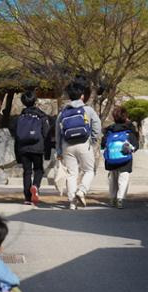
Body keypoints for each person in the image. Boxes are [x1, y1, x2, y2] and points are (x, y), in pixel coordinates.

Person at [55, 79, 101, 210]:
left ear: (69, 96)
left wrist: (58, 150)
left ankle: (72, 202)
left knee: (71, 174)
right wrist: (92, 139)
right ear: (82, 96)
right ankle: (82, 190)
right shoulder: (88, 110)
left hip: (67, 145)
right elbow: (97, 125)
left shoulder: (63, 112)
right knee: (89, 171)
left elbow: (58, 133)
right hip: (84, 143)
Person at [14, 90, 50, 205]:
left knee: (27, 171)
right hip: (37, 147)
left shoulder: (20, 117)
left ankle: (27, 198)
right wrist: (47, 151)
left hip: (23, 148)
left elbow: (17, 136)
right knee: (38, 170)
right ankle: (35, 186)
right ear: (35, 101)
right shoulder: (42, 116)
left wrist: (17, 155)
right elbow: (46, 134)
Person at [101, 106, 139, 209]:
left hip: (111, 160)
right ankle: (120, 199)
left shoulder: (109, 131)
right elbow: (135, 146)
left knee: (113, 179)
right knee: (123, 179)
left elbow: (103, 144)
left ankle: (112, 198)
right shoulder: (128, 131)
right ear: (125, 117)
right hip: (125, 160)